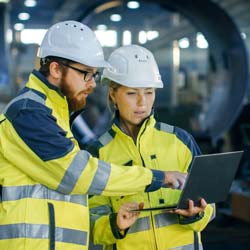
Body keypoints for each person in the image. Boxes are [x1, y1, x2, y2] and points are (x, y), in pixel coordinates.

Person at [0, 21, 186, 250]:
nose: (91, 85)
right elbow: (77, 174)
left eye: (94, 76)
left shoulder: (54, 113)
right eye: (86, 74)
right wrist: (156, 177)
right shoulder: (29, 112)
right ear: (56, 69)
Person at [88, 45, 215, 250]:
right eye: (131, 93)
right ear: (113, 94)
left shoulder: (181, 141)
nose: (142, 103)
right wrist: (115, 224)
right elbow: (92, 222)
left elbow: (210, 203)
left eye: (149, 92)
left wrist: (197, 214)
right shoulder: (98, 154)